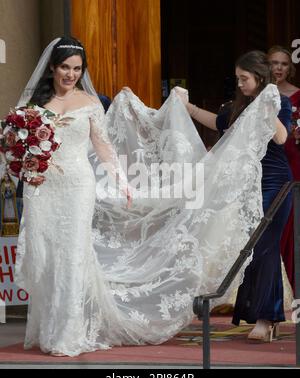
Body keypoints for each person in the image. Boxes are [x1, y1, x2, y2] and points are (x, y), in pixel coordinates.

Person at [14, 38, 283, 357]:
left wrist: (122, 183)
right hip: (44, 189)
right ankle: (48, 327)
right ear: (52, 69)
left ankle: (68, 332)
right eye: (65, 68)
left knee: (72, 254)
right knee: (48, 256)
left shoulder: (88, 102)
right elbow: (20, 144)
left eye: (76, 68)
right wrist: (24, 163)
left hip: (77, 188)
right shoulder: (33, 106)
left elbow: (103, 147)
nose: (71, 74)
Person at [176, 50, 292, 342]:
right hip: (247, 186)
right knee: (250, 251)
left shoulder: (280, 102)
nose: (239, 83)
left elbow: (282, 137)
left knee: (264, 247)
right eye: (238, 78)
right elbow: (218, 124)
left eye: (244, 79)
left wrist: (267, 103)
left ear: (260, 78)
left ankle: (267, 318)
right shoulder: (238, 106)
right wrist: (186, 106)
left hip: (275, 185)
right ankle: (261, 315)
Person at [268, 46, 300, 294]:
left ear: (291, 68)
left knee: (292, 222)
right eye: (274, 63)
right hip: (268, 164)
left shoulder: (298, 95)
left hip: (294, 159)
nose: (279, 68)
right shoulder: (256, 95)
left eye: (284, 64)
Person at [0, 172, 19, 236]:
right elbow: (1, 192)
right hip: (5, 202)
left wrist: (11, 194)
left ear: (9, 177)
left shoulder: (12, 183)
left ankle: (14, 230)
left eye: (7, 176)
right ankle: (5, 230)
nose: (6, 178)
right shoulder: (2, 184)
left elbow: (14, 190)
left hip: (11, 202)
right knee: (5, 214)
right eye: (5, 176)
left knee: (12, 213)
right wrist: (4, 194)